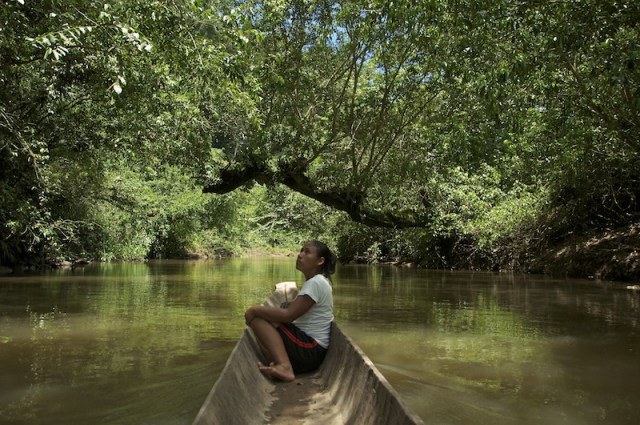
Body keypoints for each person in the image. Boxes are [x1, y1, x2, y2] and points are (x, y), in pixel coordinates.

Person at [244, 240, 336, 382]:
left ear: (320, 261)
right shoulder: (319, 281)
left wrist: (255, 309)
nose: (300, 255)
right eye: (301, 250)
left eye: (307, 252)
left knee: (256, 317)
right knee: (265, 317)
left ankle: (285, 367)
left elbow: (288, 316)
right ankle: (279, 363)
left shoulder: (316, 282)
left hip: (310, 349)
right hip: (309, 352)